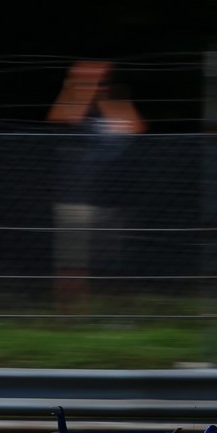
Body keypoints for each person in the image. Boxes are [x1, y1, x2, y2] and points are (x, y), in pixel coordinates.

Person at [47, 60, 145, 314]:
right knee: (72, 263)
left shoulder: (118, 108)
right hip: (74, 201)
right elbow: (60, 118)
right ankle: (70, 315)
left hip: (112, 201)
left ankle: (111, 315)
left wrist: (106, 97)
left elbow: (137, 129)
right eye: (89, 81)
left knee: (112, 263)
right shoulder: (70, 108)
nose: (96, 87)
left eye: (102, 82)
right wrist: (81, 87)